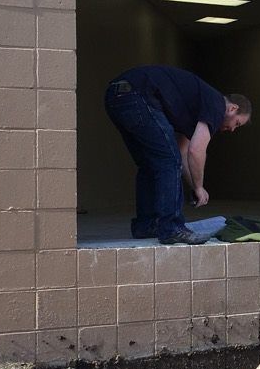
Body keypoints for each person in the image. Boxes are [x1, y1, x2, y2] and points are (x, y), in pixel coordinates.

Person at [104, 65, 251, 245]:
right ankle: (172, 228)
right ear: (232, 108)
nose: (232, 130)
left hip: (116, 96)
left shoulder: (196, 108)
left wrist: (194, 187)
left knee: (151, 164)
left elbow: (183, 154)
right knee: (167, 160)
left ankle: (146, 225)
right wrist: (199, 186)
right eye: (237, 123)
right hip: (139, 95)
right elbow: (196, 151)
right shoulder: (216, 104)